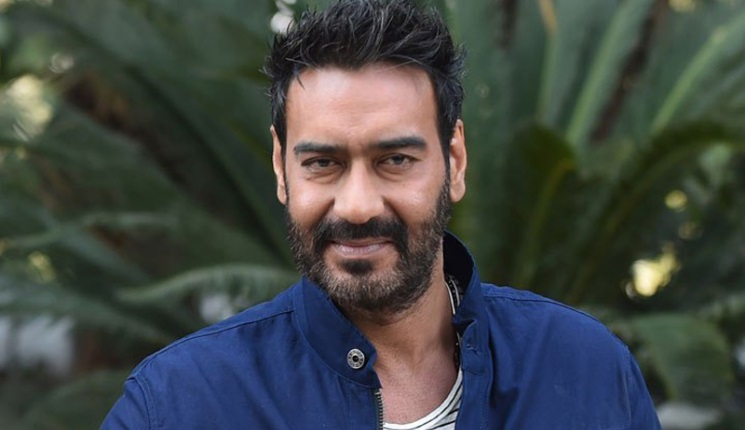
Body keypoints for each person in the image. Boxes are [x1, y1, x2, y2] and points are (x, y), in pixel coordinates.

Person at [102, 0, 661, 428]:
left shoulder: (589, 372)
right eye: (323, 163)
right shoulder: (176, 404)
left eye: (395, 160)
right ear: (281, 168)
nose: (358, 205)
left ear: (454, 161)